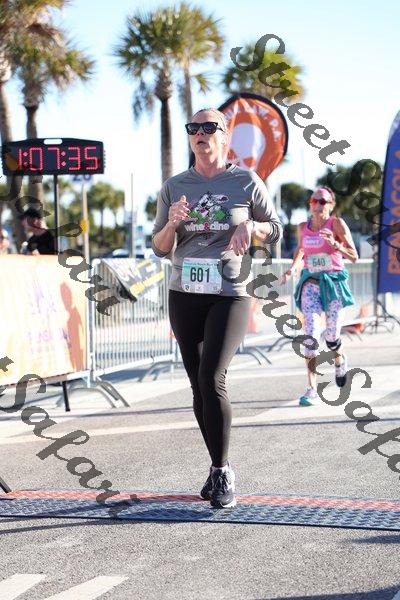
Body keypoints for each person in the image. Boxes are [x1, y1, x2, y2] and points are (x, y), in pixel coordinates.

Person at [152, 108, 282, 509]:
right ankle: (215, 466)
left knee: (212, 377)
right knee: (198, 384)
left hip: (231, 291)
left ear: (224, 136)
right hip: (185, 291)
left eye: (209, 127)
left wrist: (252, 227)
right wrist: (171, 224)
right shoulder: (175, 186)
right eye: (194, 128)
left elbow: (276, 228)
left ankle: (223, 471)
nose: (200, 133)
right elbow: (159, 247)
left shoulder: (245, 181)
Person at [280, 186, 358, 406]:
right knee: (311, 338)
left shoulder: (336, 224)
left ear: (331, 205)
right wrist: (292, 269)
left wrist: (336, 245)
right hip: (311, 285)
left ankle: (340, 360)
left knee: (332, 337)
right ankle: (311, 388)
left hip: (333, 284)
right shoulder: (302, 227)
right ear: (310, 204)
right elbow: (301, 250)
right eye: (314, 201)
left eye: (322, 201)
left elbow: (354, 255)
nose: (317, 205)